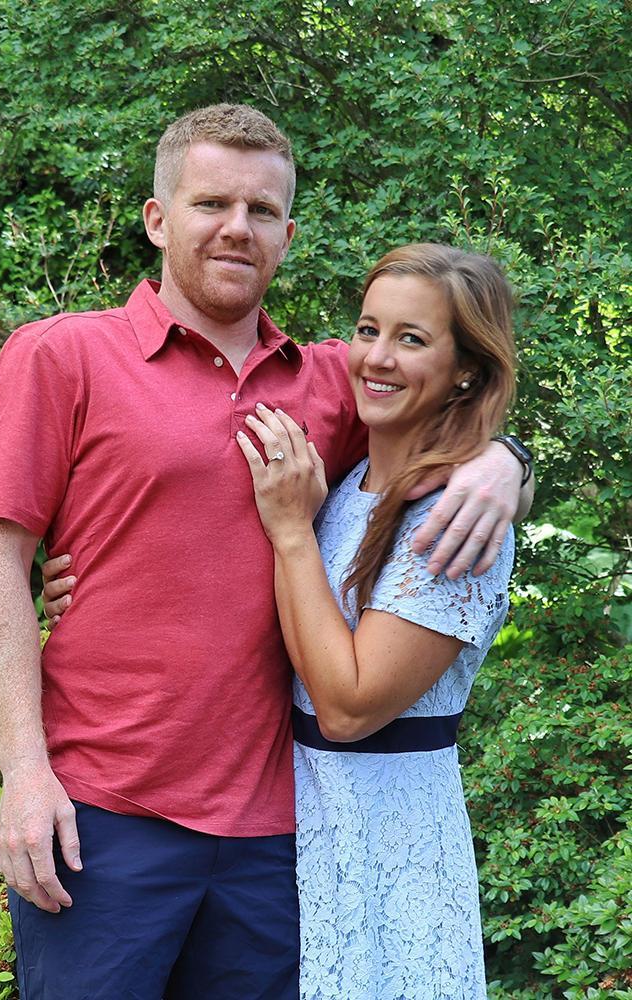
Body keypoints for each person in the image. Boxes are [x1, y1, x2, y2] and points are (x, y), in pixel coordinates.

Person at [0, 105, 531, 999]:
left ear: (288, 234)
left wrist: (508, 464)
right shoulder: (63, 355)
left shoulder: (333, 382)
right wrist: (24, 775)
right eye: (211, 203)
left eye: (262, 211)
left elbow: (442, 393)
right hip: (105, 816)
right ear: (157, 219)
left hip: (279, 833)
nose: (238, 227)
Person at [236, 244, 517, 997]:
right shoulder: (346, 481)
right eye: (368, 329)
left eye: (412, 338)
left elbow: (349, 706)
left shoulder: (456, 519)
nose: (378, 357)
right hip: (288, 829)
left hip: (389, 837)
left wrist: (291, 532)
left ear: (466, 368)